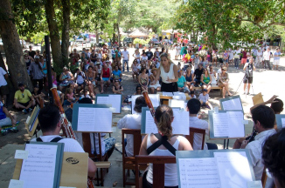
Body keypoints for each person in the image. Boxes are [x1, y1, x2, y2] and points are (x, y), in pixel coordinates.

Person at [31, 105, 97, 178]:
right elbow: (92, 169)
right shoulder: (70, 144)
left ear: (39, 124)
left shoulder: (30, 144)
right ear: (59, 124)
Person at [139, 105, 193, 188]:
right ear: (172, 119)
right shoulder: (183, 142)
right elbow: (191, 167)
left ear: (155, 119)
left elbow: (141, 163)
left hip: (151, 184)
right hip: (174, 185)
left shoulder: (147, 138)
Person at [234, 105, 276, 180]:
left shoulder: (254, 146)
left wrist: (243, 151)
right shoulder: (279, 138)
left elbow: (240, 171)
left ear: (258, 124)